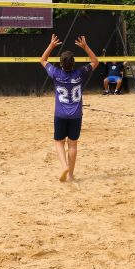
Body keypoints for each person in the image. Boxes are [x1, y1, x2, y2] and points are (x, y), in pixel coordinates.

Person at [40, 34, 99, 182]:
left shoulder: (56, 73)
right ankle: (71, 174)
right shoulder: (80, 73)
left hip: (60, 114)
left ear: (61, 64)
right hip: (76, 115)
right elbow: (95, 61)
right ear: (73, 64)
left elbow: (42, 60)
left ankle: (64, 166)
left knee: (59, 141)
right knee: (72, 144)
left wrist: (51, 46)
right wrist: (85, 47)